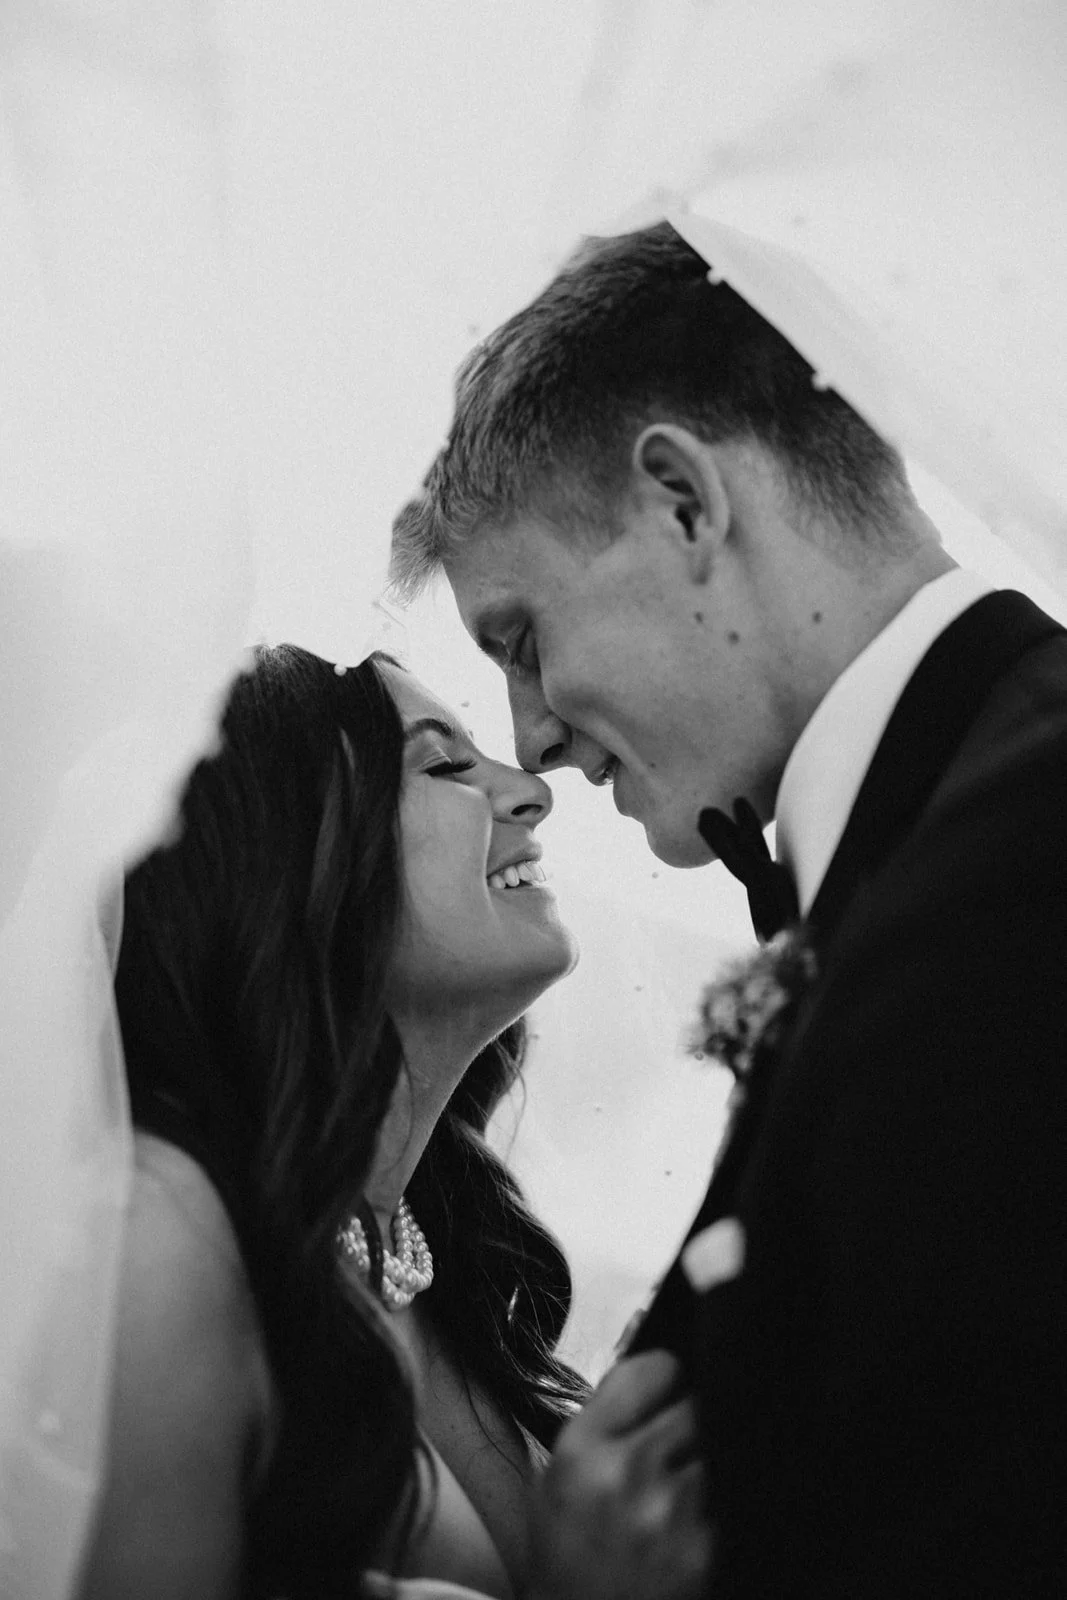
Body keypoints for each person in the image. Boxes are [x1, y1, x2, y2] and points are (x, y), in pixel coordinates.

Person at [390, 221, 1067, 1597]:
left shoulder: (1018, 870)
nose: (534, 743)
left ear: (683, 505)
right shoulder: (950, 825)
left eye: (520, 640)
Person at [82, 643, 712, 1600]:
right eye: (445, 765)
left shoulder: (440, 1262)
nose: (530, 791)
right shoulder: (164, 1239)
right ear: (288, 855)